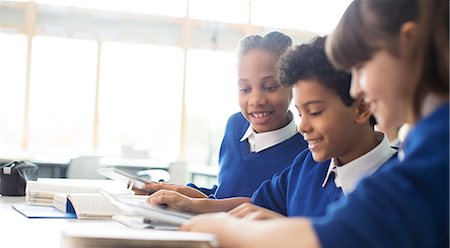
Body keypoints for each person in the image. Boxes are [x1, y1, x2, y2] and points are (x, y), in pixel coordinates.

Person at [180, 0, 449, 248]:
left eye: (361, 66)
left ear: (409, 43)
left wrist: (224, 230)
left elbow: (329, 246)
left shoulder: (441, 143)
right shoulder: (424, 140)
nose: (357, 87)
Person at [149, 36, 396, 219]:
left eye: (315, 112)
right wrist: (190, 205)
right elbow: (252, 205)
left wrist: (285, 228)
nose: (303, 127)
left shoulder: (401, 179)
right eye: (301, 113)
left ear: (362, 108)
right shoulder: (307, 165)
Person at [142, 32, 307, 207]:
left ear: (292, 85)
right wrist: (176, 191)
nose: (256, 100)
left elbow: (262, 208)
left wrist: (194, 204)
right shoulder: (235, 126)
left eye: (270, 87)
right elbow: (223, 195)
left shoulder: (305, 154)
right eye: (244, 89)